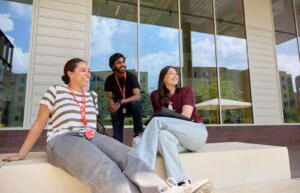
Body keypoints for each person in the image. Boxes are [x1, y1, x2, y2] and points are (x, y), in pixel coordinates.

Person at [3, 59, 208, 193]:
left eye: (89, 71)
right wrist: (22, 153)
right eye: (83, 70)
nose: (88, 74)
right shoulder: (55, 90)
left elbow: (93, 126)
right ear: (70, 73)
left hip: (91, 136)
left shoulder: (92, 96)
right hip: (64, 138)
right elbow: (40, 123)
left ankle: (162, 190)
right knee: (105, 167)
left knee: (129, 155)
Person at [135, 66, 212, 192]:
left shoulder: (186, 91)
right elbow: (160, 123)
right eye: (171, 73)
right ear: (163, 79)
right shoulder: (155, 95)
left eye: (176, 73)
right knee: (162, 136)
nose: (175, 75)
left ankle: (141, 170)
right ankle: (181, 182)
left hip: (195, 133)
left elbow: (186, 116)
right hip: (179, 143)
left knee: (156, 121)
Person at [104, 53, 144, 143]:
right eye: (119, 63)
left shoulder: (131, 76)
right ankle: (118, 140)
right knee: (117, 139)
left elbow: (137, 96)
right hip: (118, 108)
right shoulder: (109, 79)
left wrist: (120, 101)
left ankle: (138, 132)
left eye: (123, 62)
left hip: (130, 105)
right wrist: (112, 106)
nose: (123, 64)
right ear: (113, 66)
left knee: (136, 103)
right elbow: (110, 97)